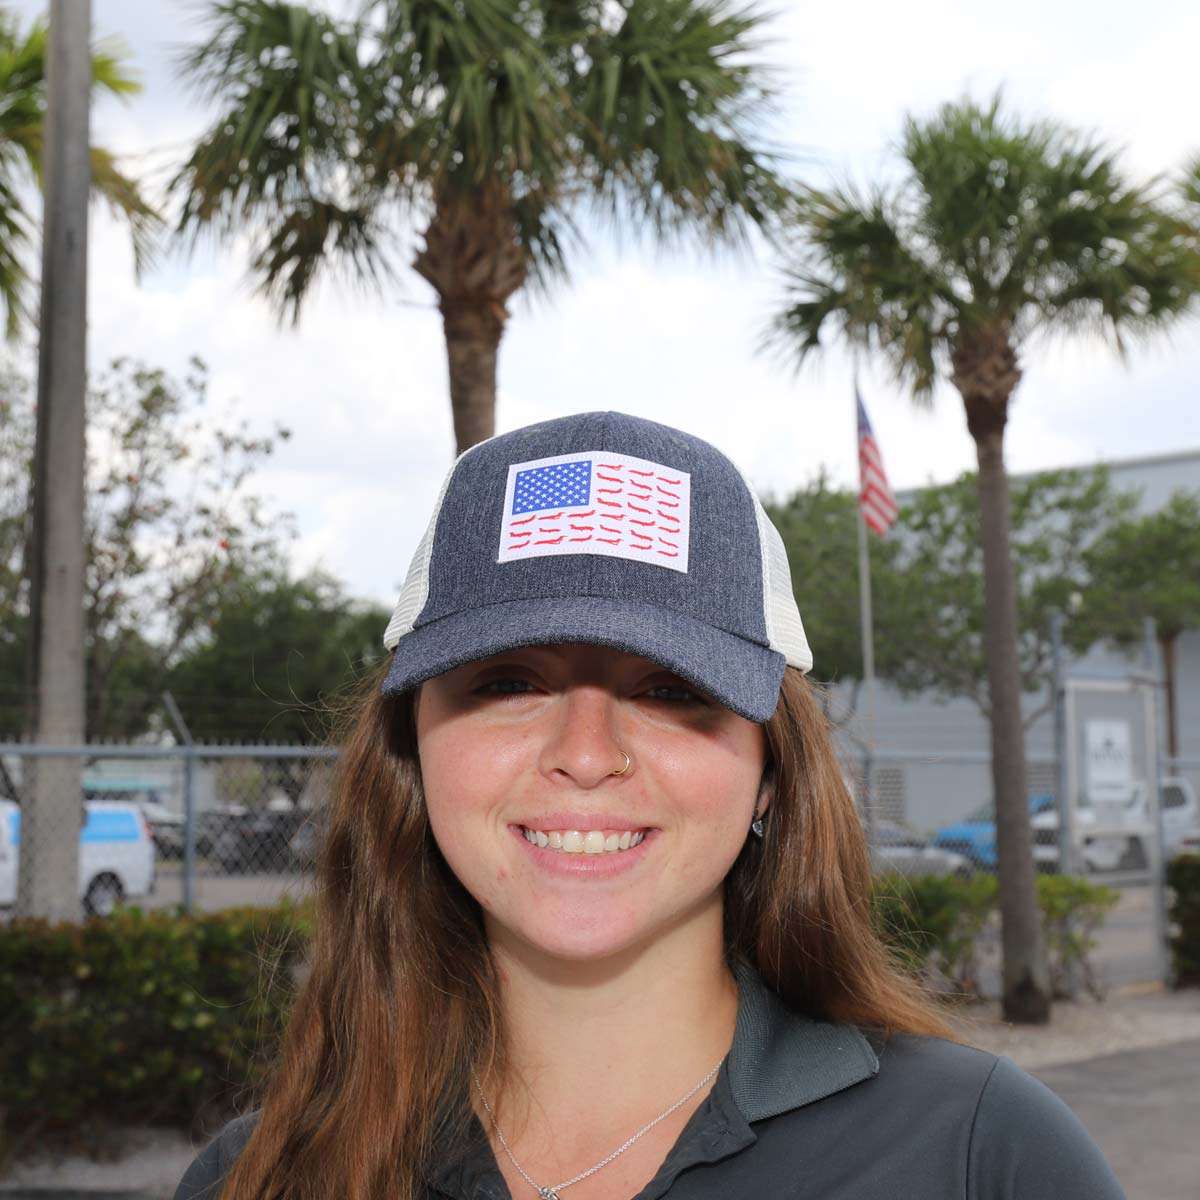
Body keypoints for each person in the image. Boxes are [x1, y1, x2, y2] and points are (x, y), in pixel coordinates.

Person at [173, 411, 1126, 1200]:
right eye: (508, 682)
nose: (586, 755)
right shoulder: (263, 1176)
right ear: (411, 758)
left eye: (671, 689)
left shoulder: (978, 1156)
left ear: (770, 775)